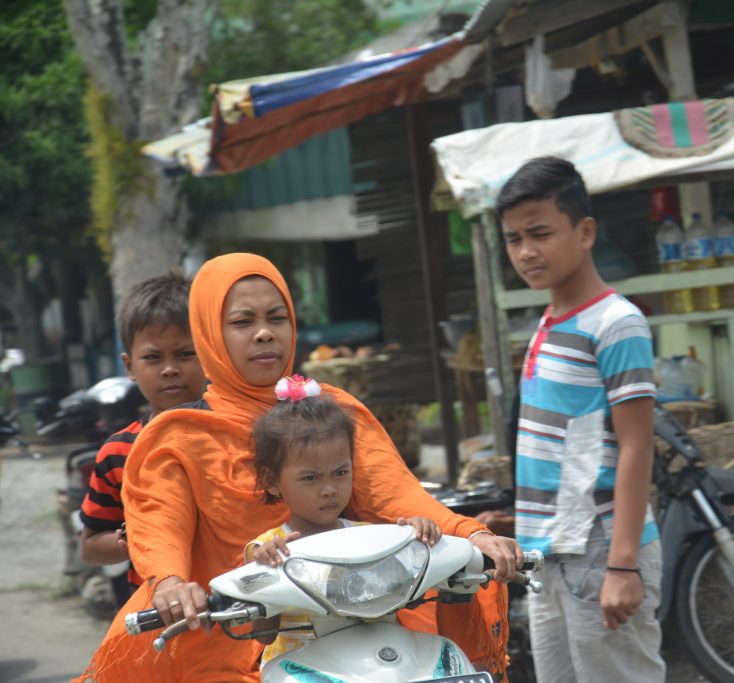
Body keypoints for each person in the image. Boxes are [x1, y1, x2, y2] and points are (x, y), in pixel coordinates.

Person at [75, 253, 521, 683]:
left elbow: (396, 494)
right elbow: (159, 523)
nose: (265, 334)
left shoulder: (332, 410)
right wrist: (171, 582)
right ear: (209, 332)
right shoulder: (178, 434)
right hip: (226, 631)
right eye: (242, 322)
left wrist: (472, 534)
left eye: (277, 318)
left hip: (354, 620)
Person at [496, 157, 666, 682]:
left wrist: (623, 565)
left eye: (540, 233)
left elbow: (637, 446)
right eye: (513, 238)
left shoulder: (616, 323)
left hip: (601, 549)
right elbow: (564, 446)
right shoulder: (547, 320)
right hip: (547, 553)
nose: (526, 251)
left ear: (585, 231)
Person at [244, 376, 441, 667]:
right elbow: (264, 635)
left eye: (340, 473)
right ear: (272, 481)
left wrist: (418, 535)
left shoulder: (373, 539)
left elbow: (409, 596)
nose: (329, 489)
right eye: (311, 477)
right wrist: (265, 572)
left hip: (376, 665)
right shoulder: (268, 548)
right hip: (300, 670)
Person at [78, 271, 205, 600]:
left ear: (210, 352)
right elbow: (91, 546)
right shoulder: (118, 452)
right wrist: (131, 539)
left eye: (185, 354)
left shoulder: (237, 434)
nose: (169, 369)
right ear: (130, 366)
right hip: (161, 615)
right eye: (153, 357)